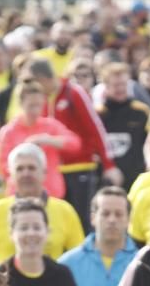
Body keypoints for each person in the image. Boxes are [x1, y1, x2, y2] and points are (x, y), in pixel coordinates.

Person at [26, 57, 123, 226]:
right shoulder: (42, 99)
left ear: (43, 79)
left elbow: (95, 128)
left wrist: (109, 165)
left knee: (82, 221)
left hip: (81, 167)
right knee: (58, 221)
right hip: (54, 172)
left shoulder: (74, 93)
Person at [0, 143, 85, 270]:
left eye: (31, 168)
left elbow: (80, 258)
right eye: (20, 169)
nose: (26, 174)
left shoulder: (65, 210)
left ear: (44, 172)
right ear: (10, 175)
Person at [0, 83, 80, 201]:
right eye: (31, 106)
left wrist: (49, 140)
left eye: (39, 106)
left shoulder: (50, 125)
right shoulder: (9, 131)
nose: (36, 110)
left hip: (51, 192)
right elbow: (4, 166)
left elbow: (75, 144)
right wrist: (24, 155)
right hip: (20, 194)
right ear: (21, 104)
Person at [97, 62, 150, 192]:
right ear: (106, 87)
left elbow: (149, 143)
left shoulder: (141, 111)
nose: (120, 89)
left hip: (136, 181)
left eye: (123, 84)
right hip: (105, 181)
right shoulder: (97, 114)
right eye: (116, 85)